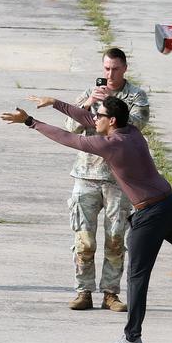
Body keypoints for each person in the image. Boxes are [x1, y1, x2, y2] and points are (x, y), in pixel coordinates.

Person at [1, 96, 172, 343]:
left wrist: (31, 122)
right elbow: (86, 118)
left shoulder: (111, 145)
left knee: (138, 277)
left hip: (149, 215)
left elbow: (70, 139)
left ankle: (132, 338)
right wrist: (57, 103)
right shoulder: (132, 132)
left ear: (112, 120)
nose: (94, 118)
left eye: (99, 115)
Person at [59, 48, 149, 312]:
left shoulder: (135, 96)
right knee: (84, 240)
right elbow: (70, 127)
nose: (110, 74)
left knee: (115, 238)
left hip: (117, 178)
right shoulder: (89, 94)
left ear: (125, 69)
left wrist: (109, 107)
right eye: (107, 69)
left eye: (116, 69)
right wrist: (88, 106)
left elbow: (135, 126)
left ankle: (110, 293)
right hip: (86, 175)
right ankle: (83, 290)